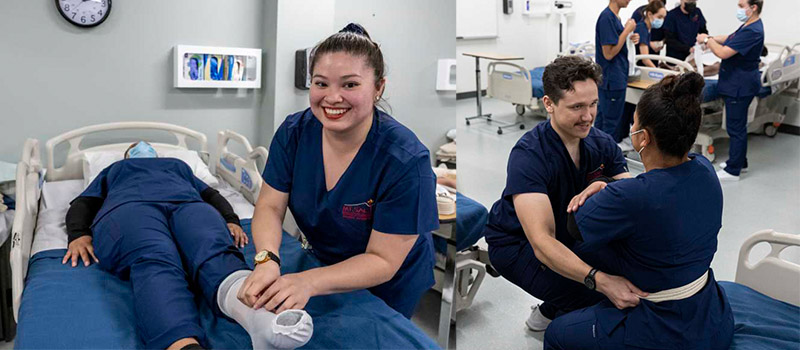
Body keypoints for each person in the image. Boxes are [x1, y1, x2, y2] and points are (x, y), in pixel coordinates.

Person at [237, 23, 438, 319]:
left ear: (379, 88)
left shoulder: (405, 160)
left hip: (387, 283)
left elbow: (382, 260)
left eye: (350, 84)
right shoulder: (294, 133)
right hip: (322, 263)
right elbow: (269, 205)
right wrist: (267, 258)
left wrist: (308, 282)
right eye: (321, 84)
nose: (332, 98)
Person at [544, 72, 734, 350]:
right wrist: (611, 186)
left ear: (642, 137)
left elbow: (575, 225)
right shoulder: (704, 169)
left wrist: (603, 186)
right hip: (711, 315)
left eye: (633, 122)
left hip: (666, 328)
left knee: (557, 335)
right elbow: (657, 197)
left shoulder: (631, 196)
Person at [64, 141, 313, 350]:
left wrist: (230, 219)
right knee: (155, 257)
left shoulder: (177, 165)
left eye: (147, 147)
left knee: (214, 250)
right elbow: (85, 202)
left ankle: (260, 320)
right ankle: (183, 344)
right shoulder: (115, 169)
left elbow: (211, 195)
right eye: (137, 148)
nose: (143, 148)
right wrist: (78, 234)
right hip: (131, 207)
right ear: (128, 156)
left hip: (189, 205)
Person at [483, 56, 642, 333]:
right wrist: (601, 280)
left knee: (632, 270)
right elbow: (543, 242)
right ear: (549, 104)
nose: (588, 116)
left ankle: (552, 307)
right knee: (595, 296)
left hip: (570, 233)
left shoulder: (602, 144)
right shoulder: (530, 155)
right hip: (517, 244)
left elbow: (632, 198)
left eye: (593, 104)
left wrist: (610, 189)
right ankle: (553, 310)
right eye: (577, 107)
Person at [697, 0, 765, 181]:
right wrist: (711, 38)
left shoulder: (753, 30)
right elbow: (730, 39)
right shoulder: (749, 26)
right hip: (738, 83)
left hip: (739, 86)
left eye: (742, 5)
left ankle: (733, 170)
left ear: (754, 7)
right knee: (738, 126)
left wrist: (706, 40)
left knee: (736, 128)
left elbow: (723, 53)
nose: (739, 9)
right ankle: (740, 162)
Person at [615, 0, 668, 150]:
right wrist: (660, 73)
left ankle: (625, 137)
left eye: (664, 17)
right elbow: (644, 58)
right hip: (633, 74)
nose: (661, 21)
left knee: (629, 109)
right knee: (628, 110)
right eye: (660, 16)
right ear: (650, 14)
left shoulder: (646, 28)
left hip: (635, 73)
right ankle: (623, 138)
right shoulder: (642, 28)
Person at [595, 0, 639, 143]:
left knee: (604, 122)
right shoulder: (607, 18)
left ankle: (598, 157)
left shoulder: (615, 18)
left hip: (615, 78)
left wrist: (629, 37)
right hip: (611, 80)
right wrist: (626, 31)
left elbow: (616, 43)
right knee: (610, 125)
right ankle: (605, 161)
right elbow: (608, 54)